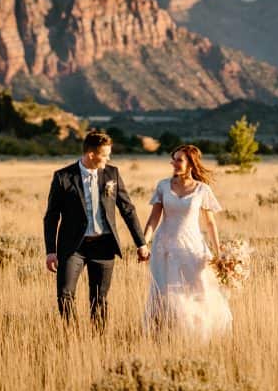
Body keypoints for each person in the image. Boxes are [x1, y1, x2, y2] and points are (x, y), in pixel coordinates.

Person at [43, 129, 150, 328]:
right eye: (105, 154)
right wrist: (51, 251)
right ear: (91, 155)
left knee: (99, 298)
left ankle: (98, 339)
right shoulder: (63, 177)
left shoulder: (112, 174)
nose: (108, 158)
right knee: (65, 294)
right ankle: (72, 335)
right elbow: (51, 217)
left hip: (104, 245)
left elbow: (127, 209)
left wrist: (141, 243)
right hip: (73, 247)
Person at [144, 144, 232, 339]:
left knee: (196, 291)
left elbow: (210, 224)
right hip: (164, 248)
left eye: (179, 160)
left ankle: (195, 335)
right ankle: (163, 335)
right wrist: (144, 243)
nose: (174, 163)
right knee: (165, 292)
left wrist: (219, 254)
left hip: (192, 247)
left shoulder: (202, 190)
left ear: (191, 164)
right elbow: (153, 219)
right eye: (173, 159)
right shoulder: (163, 186)